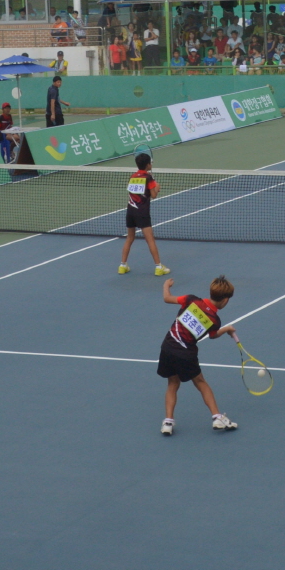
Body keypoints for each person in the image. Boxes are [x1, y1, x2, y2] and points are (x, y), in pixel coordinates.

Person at [157, 275, 239, 436]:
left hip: (167, 347)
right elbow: (213, 336)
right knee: (201, 383)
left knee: (172, 383)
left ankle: (168, 422)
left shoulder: (191, 300)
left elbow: (167, 298)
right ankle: (217, 418)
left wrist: (166, 285)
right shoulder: (214, 320)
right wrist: (227, 329)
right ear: (225, 300)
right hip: (186, 354)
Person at [119, 152, 171, 277]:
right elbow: (153, 195)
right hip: (142, 212)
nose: (151, 164)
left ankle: (122, 266)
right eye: (150, 163)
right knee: (150, 240)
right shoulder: (148, 178)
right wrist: (157, 187)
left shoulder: (132, 176)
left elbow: (135, 193)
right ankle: (158, 267)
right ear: (148, 164)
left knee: (130, 238)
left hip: (130, 211)